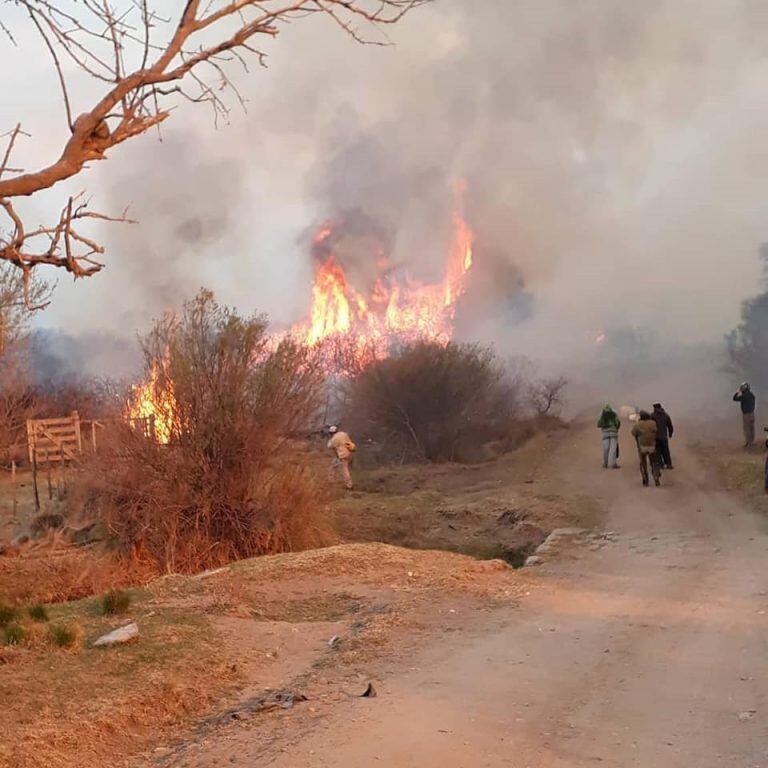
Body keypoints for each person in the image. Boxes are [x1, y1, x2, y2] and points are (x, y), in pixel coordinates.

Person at [631, 410, 660, 487]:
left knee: (643, 463)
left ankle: (645, 479)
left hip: (642, 447)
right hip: (652, 446)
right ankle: (656, 477)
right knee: (654, 462)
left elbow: (633, 433)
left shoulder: (638, 424)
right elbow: (656, 431)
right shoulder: (653, 423)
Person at [327, 425, 356, 490]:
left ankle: (349, 485)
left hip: (342, 456)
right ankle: (331, 481)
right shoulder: (344, 434)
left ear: (331, 433)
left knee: (344, 470)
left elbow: (329, 446)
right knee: (333, 466)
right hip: (348, 453)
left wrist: (330, 438)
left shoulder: (334, 438)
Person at [651, 402, 674, 469]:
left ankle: (660, 464)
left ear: (655, 408)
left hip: (656, 437)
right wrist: (670, 433)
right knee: (666, 450)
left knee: (657, 451)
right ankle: (669, 464)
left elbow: (650, 426)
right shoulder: (666, 415)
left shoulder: (652, 416)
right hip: (664, 436)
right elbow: (670, 426)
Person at [597, 404, 621, 469]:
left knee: (606, 449)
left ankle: (605, 464)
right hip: (613, 433)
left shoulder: (602, 415)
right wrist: (616, 429)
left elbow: (598, 424)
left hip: (605, 434)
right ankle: (614, 464)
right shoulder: (614, 414)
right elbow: (618, 423)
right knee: (613, 449)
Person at [733, 382, 756, 448]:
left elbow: (734, 398)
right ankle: (751, 442)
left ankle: (748, 443)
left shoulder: (743, 396)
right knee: (752, 428)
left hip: (746, 415)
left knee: (747, 429)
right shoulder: (752, 395)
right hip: (752, 414)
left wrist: (737, 392)